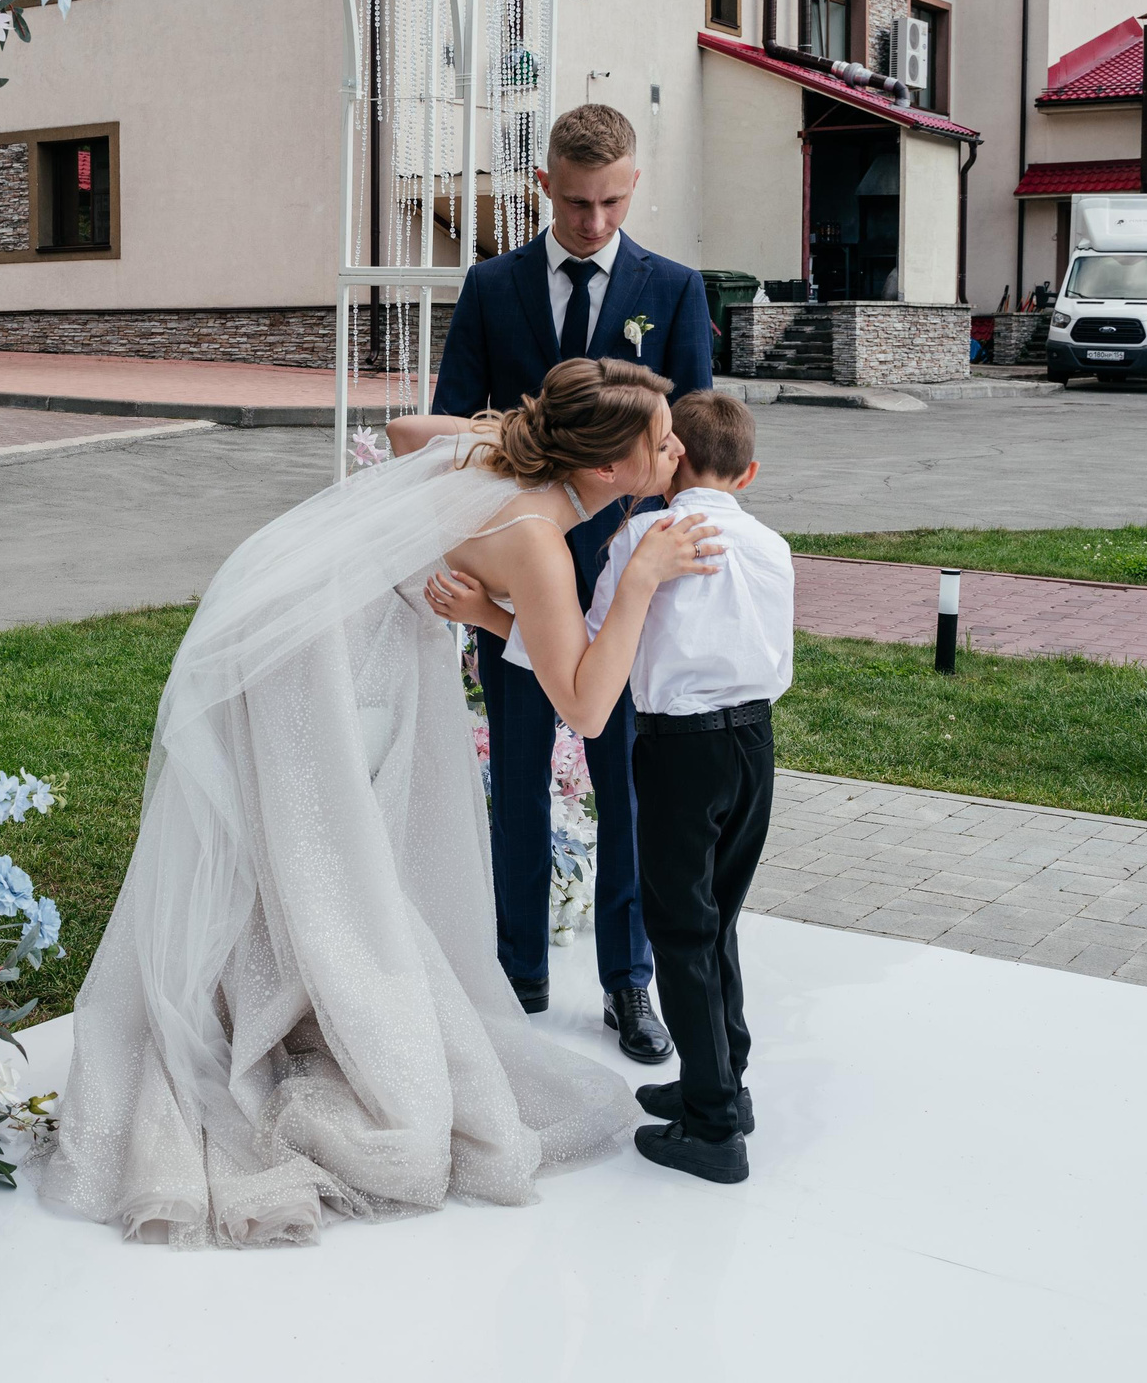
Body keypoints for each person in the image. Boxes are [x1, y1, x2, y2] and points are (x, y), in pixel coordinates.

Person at [40, 360, 722, 1246]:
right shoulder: (540, 547)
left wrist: (468, 599)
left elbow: (405, 437)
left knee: (286, 836)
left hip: (289, 598)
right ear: (605, 471)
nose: (676, 450)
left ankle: (270, 993)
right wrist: (638, 583)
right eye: (660, 443)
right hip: (323, 658)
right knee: (330, 850)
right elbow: (587, 706)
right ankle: (305, 1013)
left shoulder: (498, 449)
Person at [429, 103, 714, 1064]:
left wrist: (647, 562)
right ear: (544, 185)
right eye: (579, 201)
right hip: (516, 574)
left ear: (635, 189)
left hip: (630, 578)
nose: (594, 221)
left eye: (613, 201)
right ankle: (517, 975)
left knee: (626, 783)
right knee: (513, 780)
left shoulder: (671, 291)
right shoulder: (490, 284)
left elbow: (692, 450)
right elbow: (452, 420)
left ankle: (629, 984)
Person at [591, 391, 793, 1184]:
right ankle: (724, 1086)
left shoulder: (646, 534)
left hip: (680, 751)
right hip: (755, 744)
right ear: (748, 474)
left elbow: (606, 633)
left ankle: (713, 1133)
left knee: (680, 933)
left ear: (673, 462)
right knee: (719, 923)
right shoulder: (772, 545)